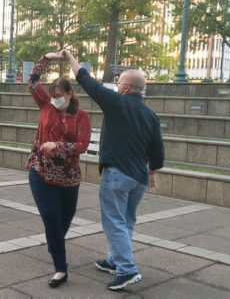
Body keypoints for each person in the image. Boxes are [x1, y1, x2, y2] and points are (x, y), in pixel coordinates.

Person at [60, 49, 164, 291]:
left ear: (127, 88)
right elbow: (157, 151)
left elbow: (86, 81)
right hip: (138, 178)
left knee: (114, 222)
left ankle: (127, 270)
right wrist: (152, 175)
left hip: (117, 175)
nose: (117, 86)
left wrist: (70, 59)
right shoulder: (151, 115)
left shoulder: (118, 102)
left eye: (119, 83)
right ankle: (114, 260)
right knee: (126, 220)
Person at [26, 53, 91, 288]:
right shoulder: (45, 105)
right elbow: (33, 81)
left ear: (70, 94)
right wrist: (46, 58)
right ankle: (61, 269)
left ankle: (55, 244)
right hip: (41, 172)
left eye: (60, 96)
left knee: (64, 219)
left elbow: (82, 145)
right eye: (53, 97)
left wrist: (59, 146)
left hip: (69, 177)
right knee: (52, 220)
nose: (55, 100)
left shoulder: (81, 117)